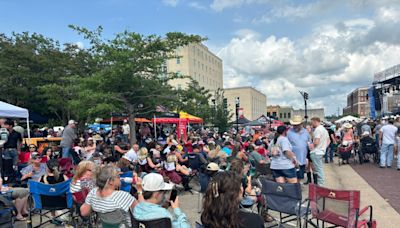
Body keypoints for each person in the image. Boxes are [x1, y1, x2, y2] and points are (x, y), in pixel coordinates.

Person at [287, 115, 311, 181]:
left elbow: (309, 143)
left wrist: (307, 158)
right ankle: (295, 189)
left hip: (302, 159)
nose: (295, 126)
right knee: (292, 178)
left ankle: (297, 188)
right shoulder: (289, 132)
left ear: (301, 124)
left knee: (300, 177)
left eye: (297, 125)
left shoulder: (306, 132)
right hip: (292, 160)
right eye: (294, 125)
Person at [309, 117, 330, 186]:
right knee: (319, 169)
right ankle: (321, 185)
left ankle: (321, 186)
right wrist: (324, 148)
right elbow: (328, 141)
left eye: (312, 122)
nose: (311, 124)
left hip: (316, 152)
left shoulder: (317, 130)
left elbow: (316, 141)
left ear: (315, 121)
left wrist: (311, 146)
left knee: (318, 171)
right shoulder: (324, 129)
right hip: (321, 151)